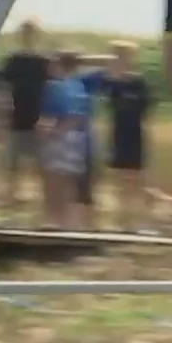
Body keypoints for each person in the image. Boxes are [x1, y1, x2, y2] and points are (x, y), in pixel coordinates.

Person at [38, 49, 98, 228]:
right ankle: (58, 220)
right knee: (58, 180)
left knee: (61, 180)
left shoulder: (68, 86)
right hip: (67, 137)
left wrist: (54, 131)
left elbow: (75, 116)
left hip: (67, 139)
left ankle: (61, 221)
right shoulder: (71, 85)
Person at [0, 19, 52, 207]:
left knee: (42, 163)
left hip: (39, 117)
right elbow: (3, 88)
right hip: (17, 115)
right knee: (13, 163)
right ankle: (11, 198)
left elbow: (52, 89)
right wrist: (2, 116)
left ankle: (42, 200)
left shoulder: (44, 61)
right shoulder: (13, 60)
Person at [100, 41, 155, 222]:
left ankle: (140, 213)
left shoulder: (139, 83)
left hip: (135, 132)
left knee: (137, 175)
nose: (119, 60)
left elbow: (147, 109)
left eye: (123, 56)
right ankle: (122, 214)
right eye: (116, 56)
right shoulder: (112, 83)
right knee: (118, 173)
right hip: (118, 132)